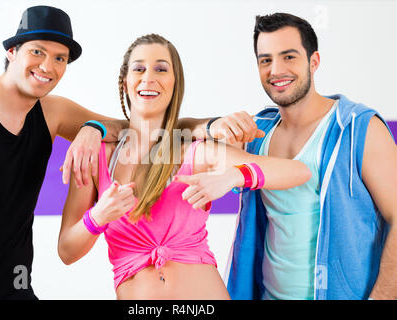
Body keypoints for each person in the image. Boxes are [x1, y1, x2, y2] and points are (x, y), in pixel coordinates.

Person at [57, 33, 311, 300]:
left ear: (174, 83)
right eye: (139, 68)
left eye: (161, 69)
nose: (148, 77)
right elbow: (67, 251)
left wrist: (236, 176)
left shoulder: (194, 151)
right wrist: (97, 216)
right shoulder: (95, 157)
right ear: (125, 82)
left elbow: (298, 172)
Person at [187, 13, 397, 300]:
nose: (276, 70)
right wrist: (213, 125)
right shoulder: (256, 133)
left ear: (314, 62)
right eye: (265, 60)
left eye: (289, 57)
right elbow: (168, 136)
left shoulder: (359, 128)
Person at [0, 6, 126, 300]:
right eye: (38, 52)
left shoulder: (53, 112)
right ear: (12, 52)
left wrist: (94, 127)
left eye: (60, 58)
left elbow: (134, 130)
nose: (48, 66)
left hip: (14, 288)